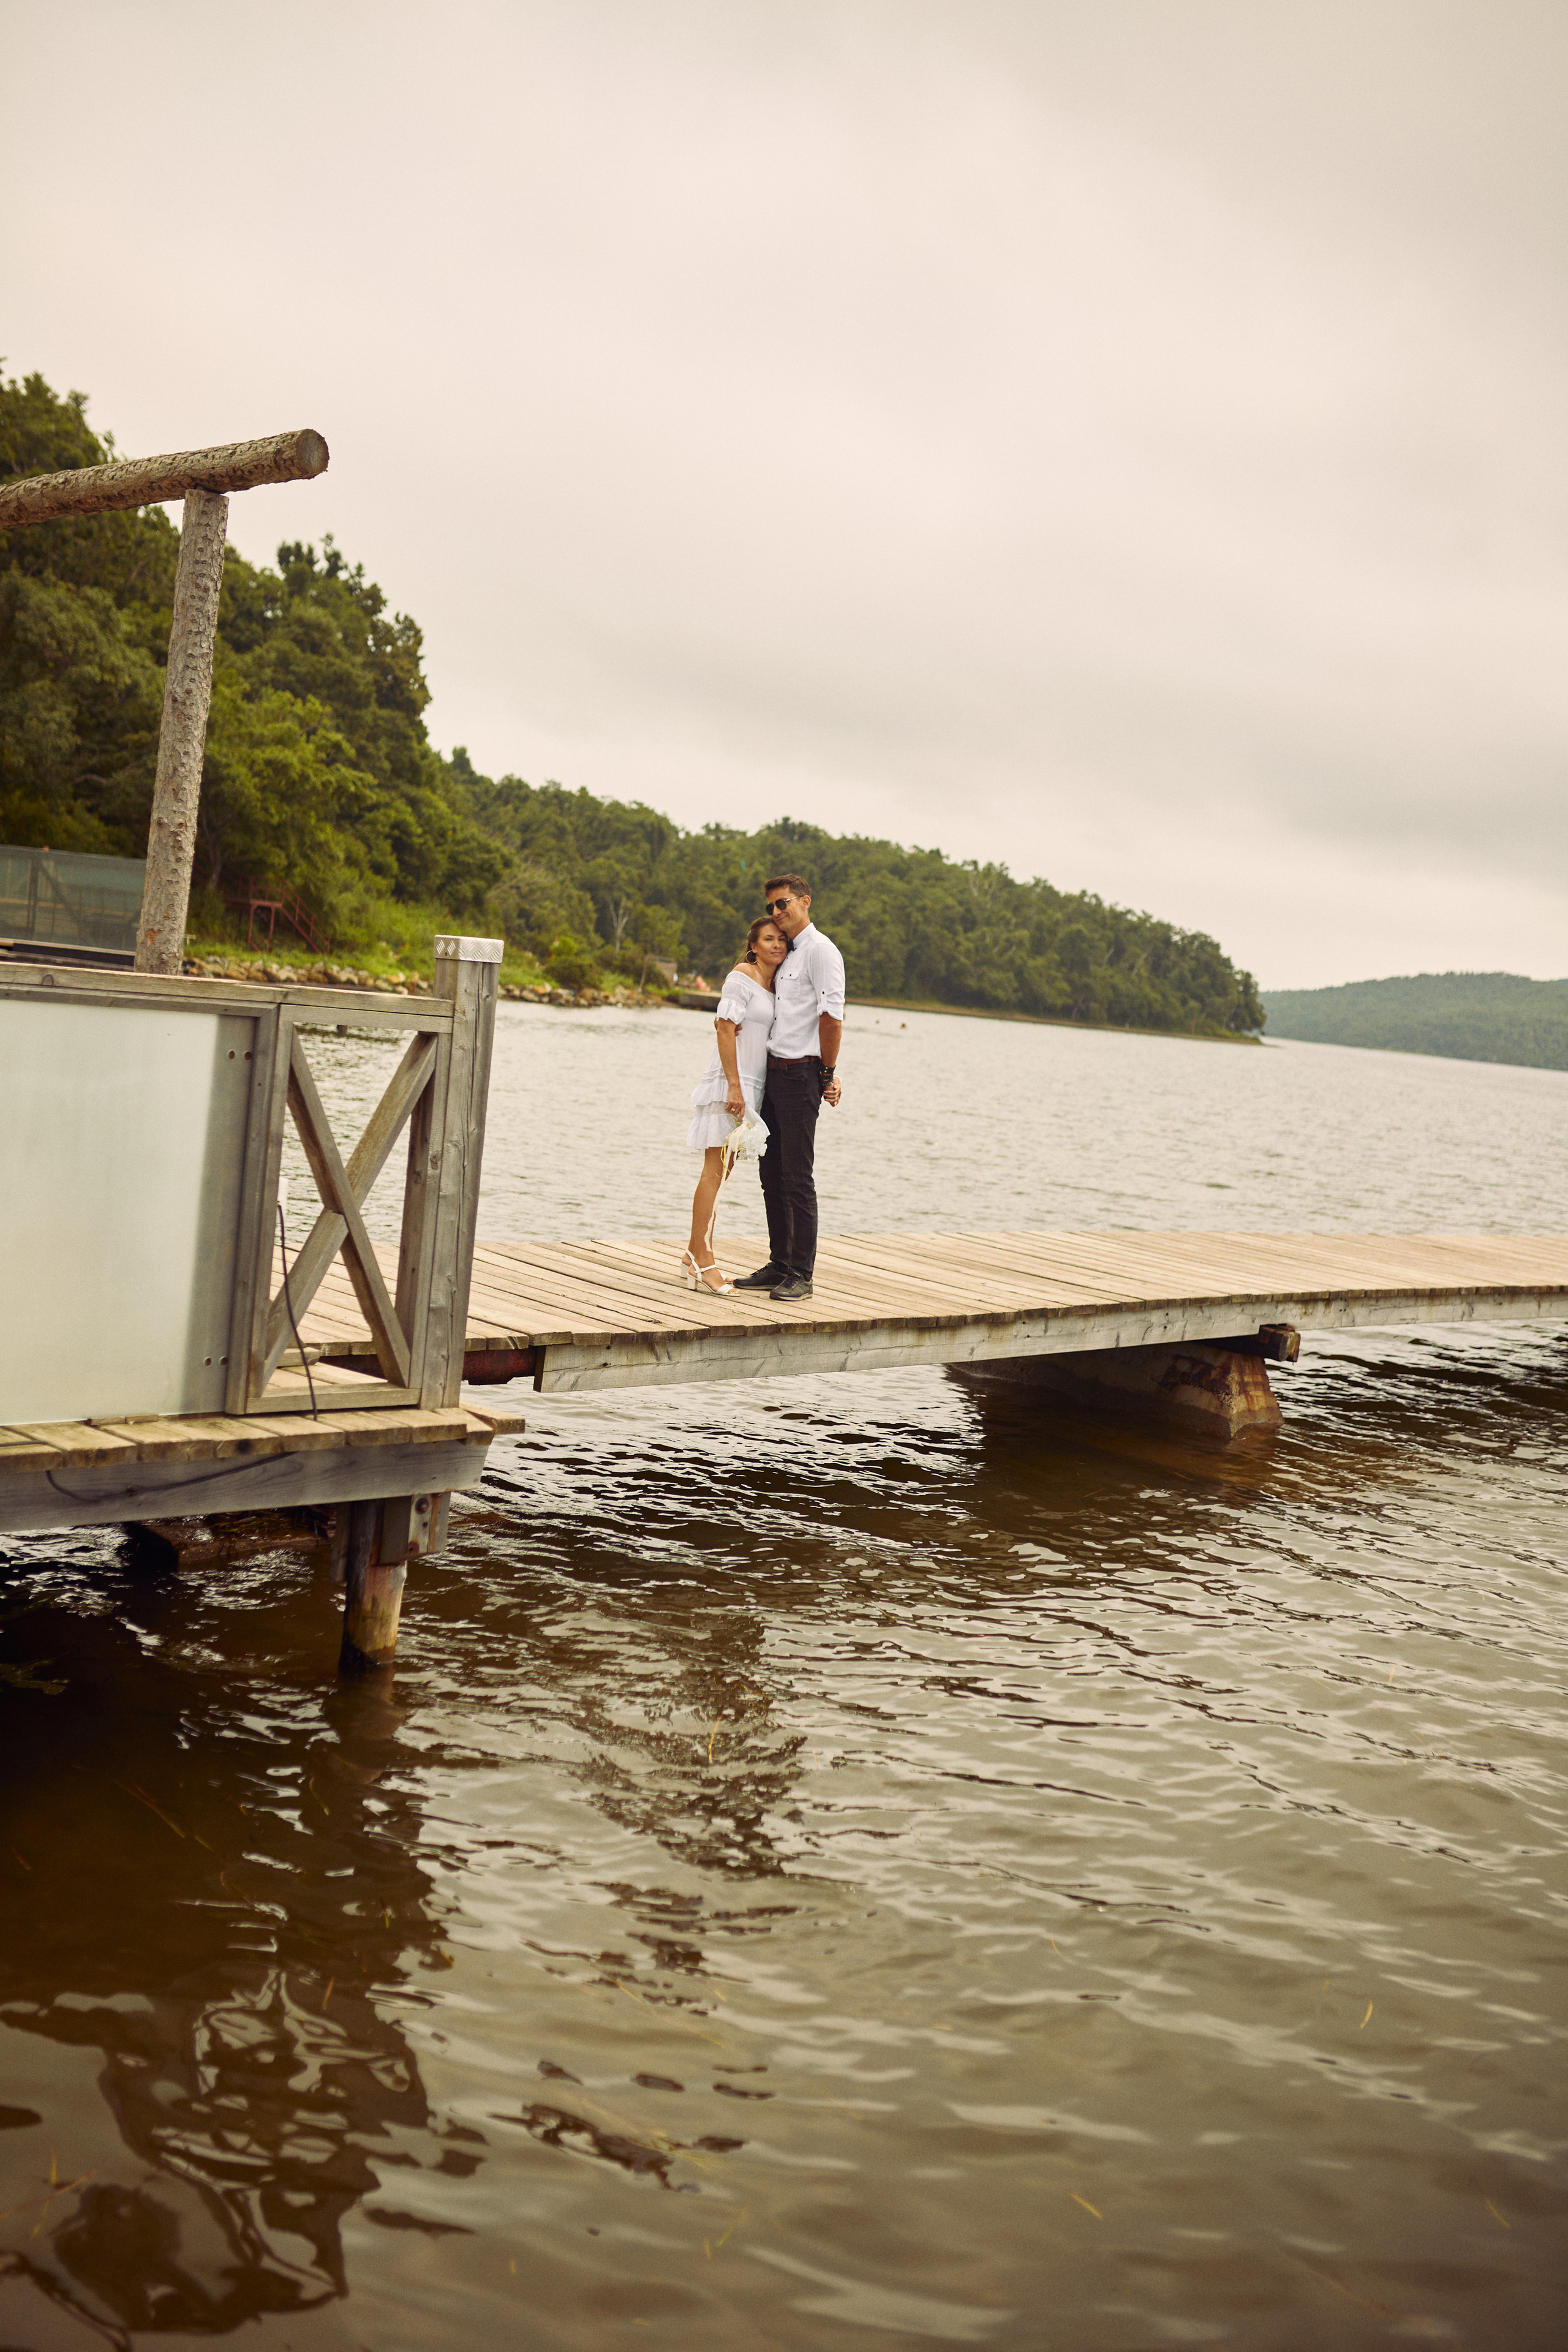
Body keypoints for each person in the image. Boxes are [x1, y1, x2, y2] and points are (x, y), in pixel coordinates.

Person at [734, 873, 844, 1302]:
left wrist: (827, 1073)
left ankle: (802, 1273)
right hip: (773, 1074)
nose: (778, 912)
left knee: (797, 1177)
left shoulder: (821, 951)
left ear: (805, 901)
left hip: (801, 1076)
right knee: (771, 1174)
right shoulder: (786, 954)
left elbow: (831, 1018)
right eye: (772, 907)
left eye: (784, 903)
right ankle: (779, 1264)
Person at [681, 916, 790, 1294]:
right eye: (769, 939)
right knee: (715, 1170)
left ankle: (692, 1253)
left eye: (782, 939)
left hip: (751, 1088)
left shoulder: (774, 987)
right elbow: (724, 1026)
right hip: (731, 1085)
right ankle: (703, 1261)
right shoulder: (742, 976)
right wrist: (733, 1086)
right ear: (754, 945)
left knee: (722, 1171)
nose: (777, 945)